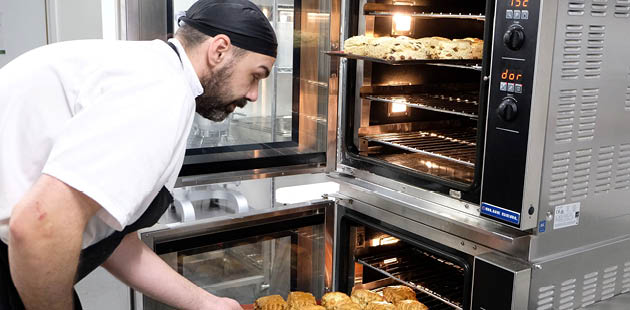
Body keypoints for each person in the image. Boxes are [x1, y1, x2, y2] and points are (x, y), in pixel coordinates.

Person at [0, 0, 276, 309]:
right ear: (219, 50)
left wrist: (205, 303)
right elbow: (40, 225)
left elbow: (108, 237)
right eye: (256, 75)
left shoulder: (151, 72)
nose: (253, 94)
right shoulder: (160, 90)